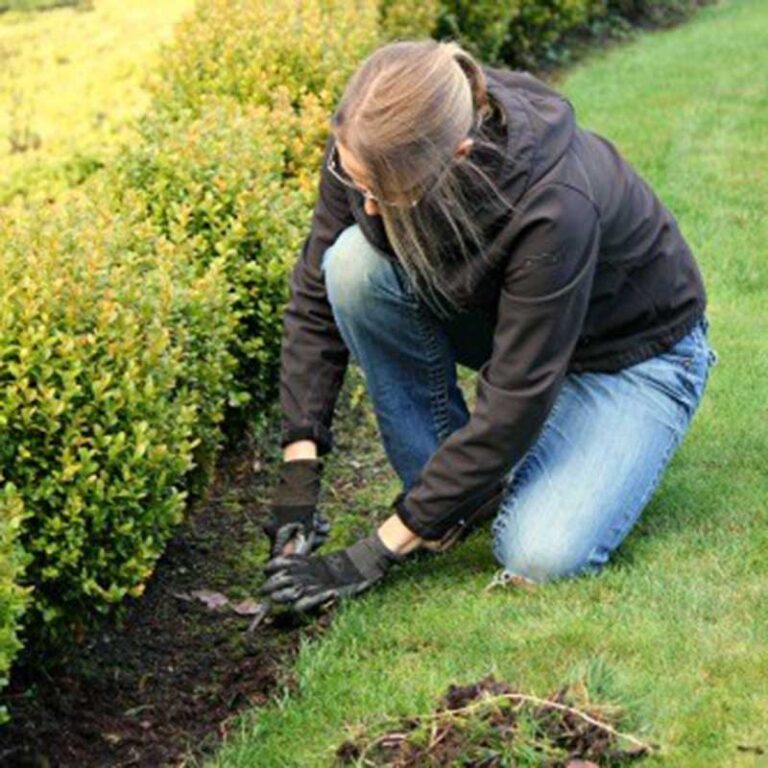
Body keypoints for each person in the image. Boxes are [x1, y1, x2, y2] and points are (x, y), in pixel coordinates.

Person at [259, 39, 719, 613]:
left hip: (631, 358)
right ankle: (458, 500)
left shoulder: (554, 203)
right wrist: (297, 480)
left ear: (458, 155)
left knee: (538, 554)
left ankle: (463, 490)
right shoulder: (373, 137)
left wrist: (373, 553)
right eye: (361, 185)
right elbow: (314, 299)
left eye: (386, 193)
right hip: (518, 329)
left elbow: (514, 400)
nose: (369, 207)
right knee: (351, 265)